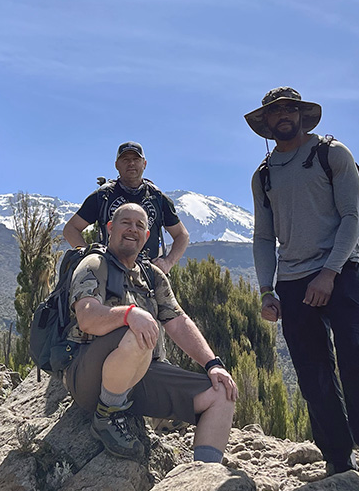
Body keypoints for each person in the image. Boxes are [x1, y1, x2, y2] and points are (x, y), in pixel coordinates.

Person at [246, 87, 359, 473]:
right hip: (293, 281)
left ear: (301, 114)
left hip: (340, 270)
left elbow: (352, 214)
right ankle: (336, 459)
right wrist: (267, 290)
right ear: (265, 122)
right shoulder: (263, 176)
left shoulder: (332, 154)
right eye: (275, 111)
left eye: (289, 109)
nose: (283, 115)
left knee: (355, 359)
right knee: (313, 373)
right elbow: (263, 237)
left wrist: (329, 273)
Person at [64, 202, 237, 462]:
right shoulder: (94, 264)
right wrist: (129, 314)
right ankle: (108, 414)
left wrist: (213, 364)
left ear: (146, 236)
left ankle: (204, 475)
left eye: (140, 226)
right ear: (110, 228)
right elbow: (87, 317)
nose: (132, 229)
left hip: (141, 373)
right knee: (140, 326)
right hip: (90, 376)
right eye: (126, 223)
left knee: (222, 393)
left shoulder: (151, 275)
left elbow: (177, 321)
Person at [62, 141, 189, 271]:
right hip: (109, 272)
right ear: (117, 165)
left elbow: (182, 235)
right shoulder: (103, 196)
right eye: (125, 159)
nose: (131, 163)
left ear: (144, 164)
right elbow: (71, 229)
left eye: (136, 159)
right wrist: (89, 257)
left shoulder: (158, 198)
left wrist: (168, 262)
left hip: (149, 274)